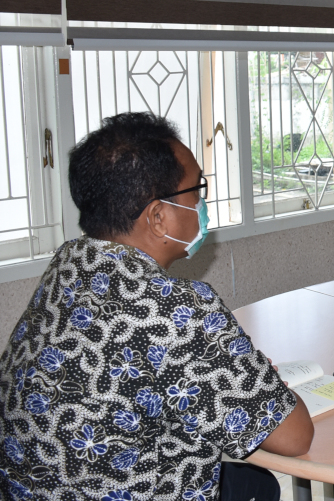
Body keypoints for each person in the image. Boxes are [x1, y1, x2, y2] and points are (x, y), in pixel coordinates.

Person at [0, 112, 313, 501]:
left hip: (40, 489)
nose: (202, 203)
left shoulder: (66, 267)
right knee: (259, 487)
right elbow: (294, 436)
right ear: (158, 217)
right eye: (197, 190)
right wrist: (263, 386)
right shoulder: (176, 308)